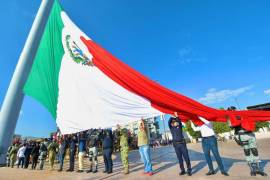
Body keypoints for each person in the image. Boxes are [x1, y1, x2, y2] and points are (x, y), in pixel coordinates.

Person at [228, 106, 267, 176]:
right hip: (242, 136)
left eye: (233, 109)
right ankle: (252, 169)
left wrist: (244, 117)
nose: (233, 111)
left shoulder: (244, 114)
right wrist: (237, 120)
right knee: (247, 151)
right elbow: (231, 126)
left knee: (254, 150)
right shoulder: (230, 118)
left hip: (250, 134)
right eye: (231, 110)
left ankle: (258, 168)